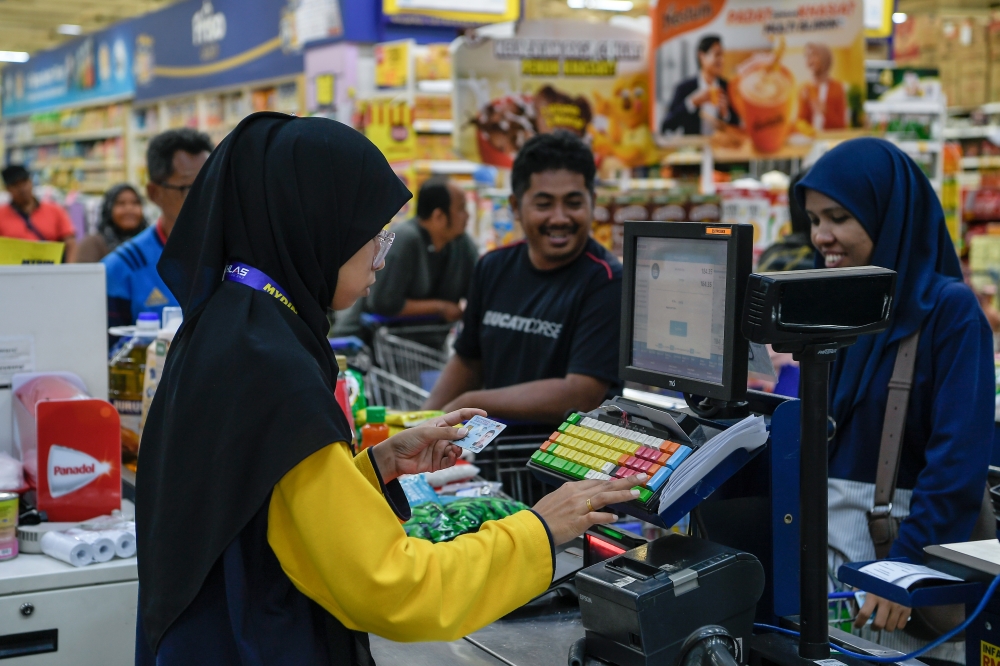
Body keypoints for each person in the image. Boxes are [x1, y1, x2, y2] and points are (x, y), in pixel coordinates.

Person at [136, 112, 644, 663]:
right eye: (372, 232)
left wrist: (372, 470)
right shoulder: (273, 370)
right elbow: (394, 586)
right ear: (318, 225)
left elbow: (263, 505)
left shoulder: (233, 323)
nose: (382, 253)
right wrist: (542, 530)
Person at [797, 138, 993, 662]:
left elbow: (957, 467)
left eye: (838, 217)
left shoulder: (950, 314)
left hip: (907, 595)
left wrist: (901, 570)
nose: (822, 236)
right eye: (814, 218)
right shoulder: (839, 302)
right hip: (838, 585)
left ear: (890, 216)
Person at [424, 132, 623, 425]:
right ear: (516, 207)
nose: (559, 218)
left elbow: (581, 393)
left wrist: (471, 401)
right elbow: (468, 360)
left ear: (592, 202)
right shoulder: (492, 266)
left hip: (571, 464)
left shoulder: (606, 281)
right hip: (493, 456)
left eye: (573, 203)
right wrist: (423, 421)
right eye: (543, 204)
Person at [332, 177, 478, 344]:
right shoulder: (405, 240)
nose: (467, 215)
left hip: (421, 349)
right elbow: (383, 303)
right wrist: (440, 307)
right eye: (461, 209)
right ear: (438, 216)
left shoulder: (463, 245)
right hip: (370, 344)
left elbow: (476, 290)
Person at [102, 128, 212, 328]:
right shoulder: (121, 269)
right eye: (189, 188)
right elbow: (108, 353)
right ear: (154, 193)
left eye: (211, 185)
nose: (205, 198)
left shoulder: (238, 257)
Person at [660, 35, 740, 136]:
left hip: (721, 149)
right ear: (702, 56)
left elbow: (738, 129)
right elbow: (666, 126)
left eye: (722, 55)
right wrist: (692, 102)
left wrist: (725, 114)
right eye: (717, 55)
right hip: (693, 149)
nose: (722, 60)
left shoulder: (728, 87)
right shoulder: (684, 88)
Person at [0, 165, 77, 261]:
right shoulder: (2, 215)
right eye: (16, 185)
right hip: (13, 271)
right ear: (8, 189)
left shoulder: (55, 210)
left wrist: (69, 270)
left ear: (31, 182)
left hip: (50, 269)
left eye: (25, 182)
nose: (22, 189)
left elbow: (70, 242)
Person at [76, 184, 148, 262]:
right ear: (108, 209)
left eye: (135, 203)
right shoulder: (93, 244)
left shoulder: (151, 242)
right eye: (121, 203)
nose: (129, 209)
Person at [797, 43, 848, 132]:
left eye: (813, 55)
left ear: (825, 58)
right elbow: (800, 123)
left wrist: (825, 111)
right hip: (810, 142)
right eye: (807, 56)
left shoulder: (837, 87)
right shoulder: (804, 89)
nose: (809, 60)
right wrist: (805, 104)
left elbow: (842, 125)